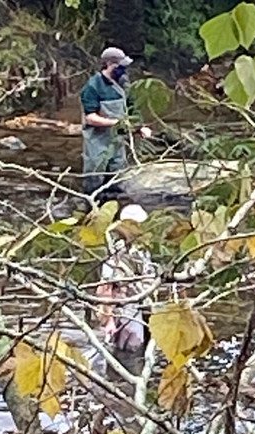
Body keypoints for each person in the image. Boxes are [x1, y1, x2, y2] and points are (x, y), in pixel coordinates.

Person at [80, 46, 152, 198]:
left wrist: (140, 127)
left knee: (118, 173)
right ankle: (90, 203)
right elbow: (90, 117)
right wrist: (115, 123)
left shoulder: (124, 84)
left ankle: (115, 202)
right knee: (95, 172)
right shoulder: (93, 86)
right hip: (97, 140)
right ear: (109, 64)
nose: (124, 69)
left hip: (118, 140)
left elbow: (132, 109)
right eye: (120, 66)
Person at [95, 203, 155, 376]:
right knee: (130, 353)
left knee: (140, 353)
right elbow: (106, 288)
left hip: (143, 308)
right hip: (125, 311)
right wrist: (109, 319)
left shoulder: (143, 251)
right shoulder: (116, 254)